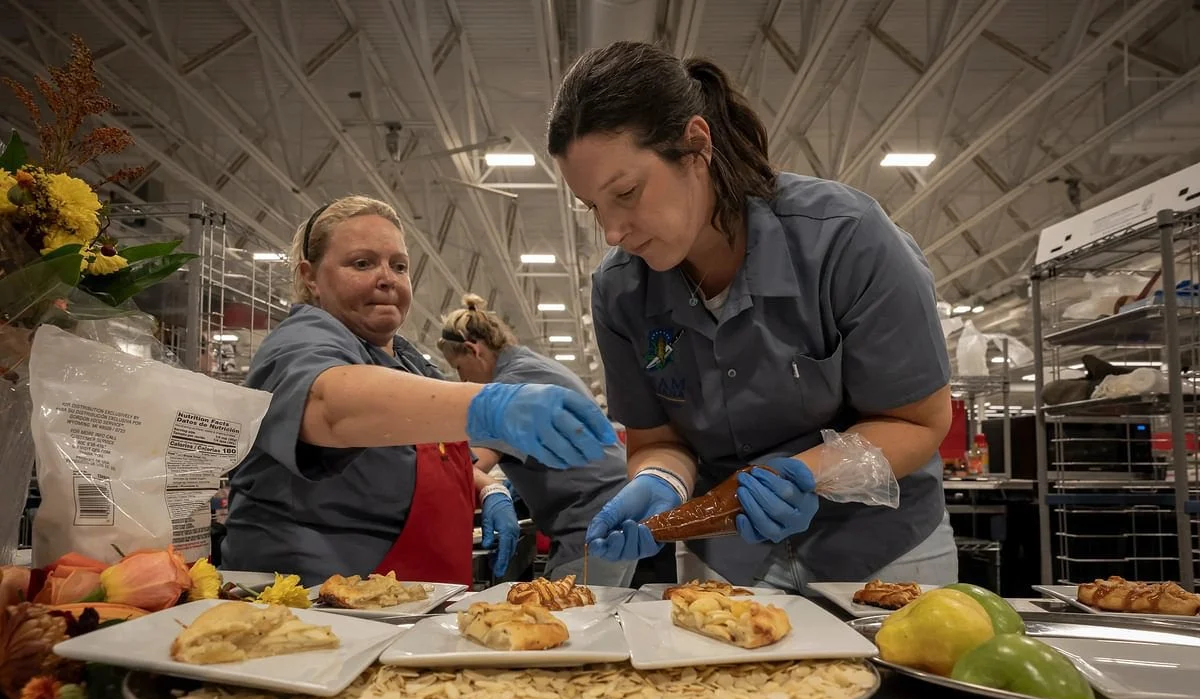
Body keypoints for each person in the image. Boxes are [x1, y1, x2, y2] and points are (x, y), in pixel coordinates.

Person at [547, 42, 957, 592]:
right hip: (727, 556)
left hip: (878, 549)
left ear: (696, 144)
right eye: (594, 207)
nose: (612, 231)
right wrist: (660, 480)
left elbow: (918, 421)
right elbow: (656, 439)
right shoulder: (621, 290)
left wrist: (811, 476)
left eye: (627, 192)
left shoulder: (846, 240)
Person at [220, 196, 616, 586]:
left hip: (409, 608)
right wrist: (488, 404)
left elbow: (414, 462)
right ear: (310, 275)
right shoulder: (300, 341)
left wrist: (488, 487)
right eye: (362, 263)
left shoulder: (410, 364)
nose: (386, 277)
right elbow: (329, 407)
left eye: (399, 265)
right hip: (320, 608)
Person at [438, 294, 637, 586]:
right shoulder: (533, 365)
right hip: (617, 509)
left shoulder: (508, 387)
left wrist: (490, 489)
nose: (462, 381)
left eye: (459, 368)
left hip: (589, 521)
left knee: (569, 623)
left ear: (473, 351)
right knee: (600, 619)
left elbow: (467, 465)